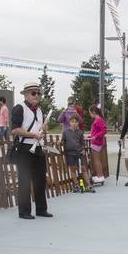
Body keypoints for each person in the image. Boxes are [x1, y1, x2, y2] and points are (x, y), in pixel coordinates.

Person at [10, 81, 52, 218]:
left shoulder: (39, 110)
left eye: (38, 93)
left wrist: (44, 129)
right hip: (24, 147)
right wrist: (33, 135)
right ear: (26, 95)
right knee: (24, 181)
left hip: (38, 147)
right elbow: (15, 130)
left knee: (40, 180)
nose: (37, 96)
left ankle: (41, 209)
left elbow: (39, 129)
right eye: (34, 93)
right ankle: (24, 211)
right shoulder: (19, 108)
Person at [61, 107, 93, 192]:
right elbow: (63, 141)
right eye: (72, 122)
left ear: (78, 123)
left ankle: (89, 184)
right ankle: (76, 185)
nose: (74, 123)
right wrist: (60, 144)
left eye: (76, 122)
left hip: (79, 153)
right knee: (73, 169)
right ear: (69, 123)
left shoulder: (80, 132)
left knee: (83, 168)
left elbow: (82, 143)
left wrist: (82, 149)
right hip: (70, 153)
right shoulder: (65, 132)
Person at [88, 104, 107, 186]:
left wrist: (95, 136)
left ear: (93, 112)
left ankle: (100, 176)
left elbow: (104, 130)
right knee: (97, 160)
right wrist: (91, 136)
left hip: (96, 142)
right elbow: (97, 131)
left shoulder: (98, 120)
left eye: (90, 113)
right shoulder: (98, 119)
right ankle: (100, 175)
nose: (90, 115)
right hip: (95, 141)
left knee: (96, 160)